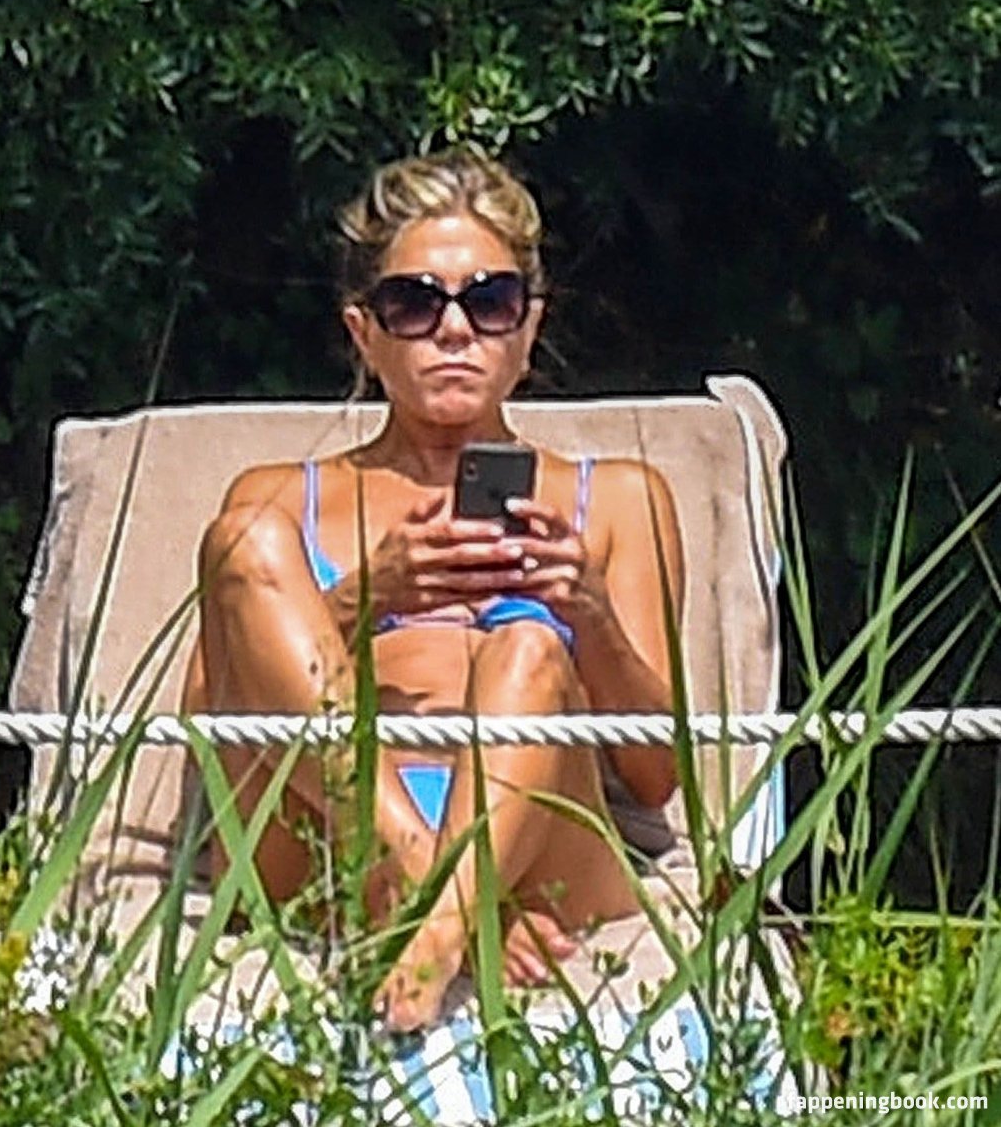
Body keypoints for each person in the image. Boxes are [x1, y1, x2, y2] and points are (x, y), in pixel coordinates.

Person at [183, 147, 684, 1032]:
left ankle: (432, 913)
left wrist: (590, 616)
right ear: (364, 333)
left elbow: (655, 777)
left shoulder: (616, 498)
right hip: (328, 840)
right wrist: (368, 595)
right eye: (415, 304)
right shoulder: (279, 498)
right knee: (241, 542)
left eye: (489, 301)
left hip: (546, 840)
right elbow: (216, 724)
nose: (454, 330)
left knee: (527, 648)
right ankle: (447, 902)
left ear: (528, 327)